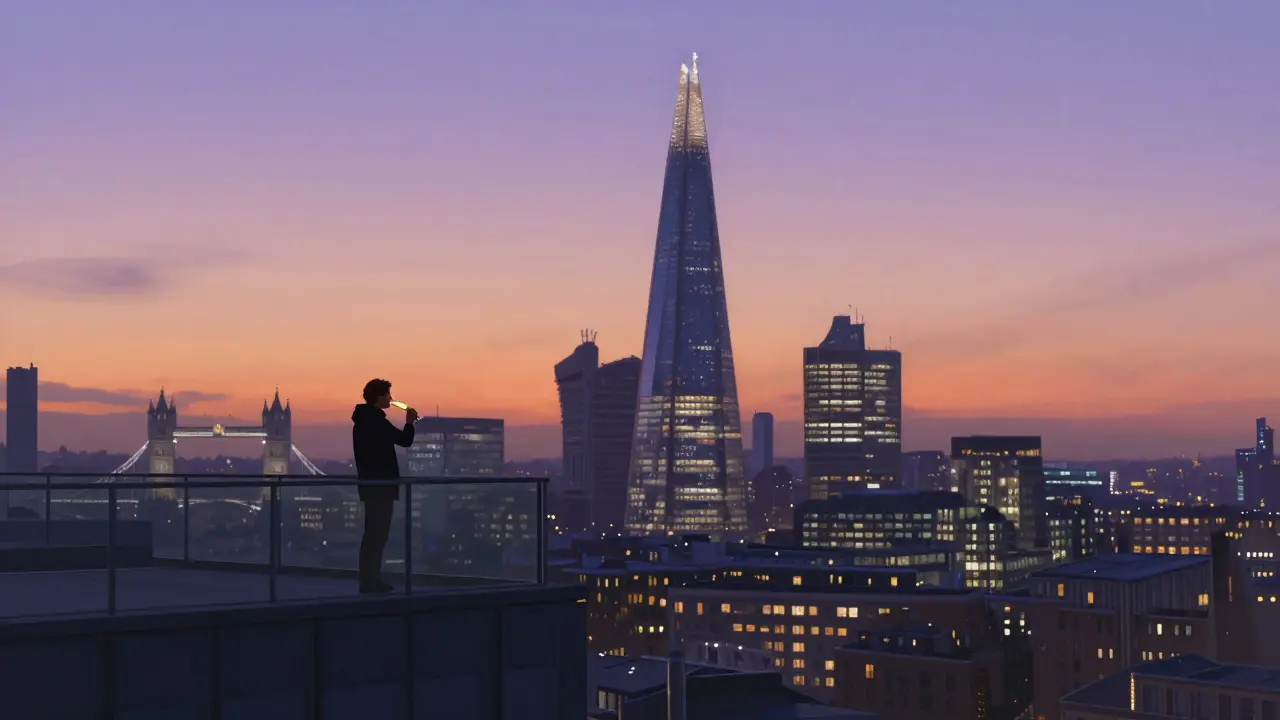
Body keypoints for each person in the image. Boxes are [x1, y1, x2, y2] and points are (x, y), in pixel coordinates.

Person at [351, 378, 418, 594]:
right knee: (377, 535)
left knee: (372, 535)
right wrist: (410, 422)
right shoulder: (374, 421)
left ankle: (369, 580)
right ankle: (370, 582)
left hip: (371, 484)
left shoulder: (363, 420)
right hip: (380, 485)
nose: (391, 398)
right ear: (379, 396)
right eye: (388, 394)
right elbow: (404, 440)